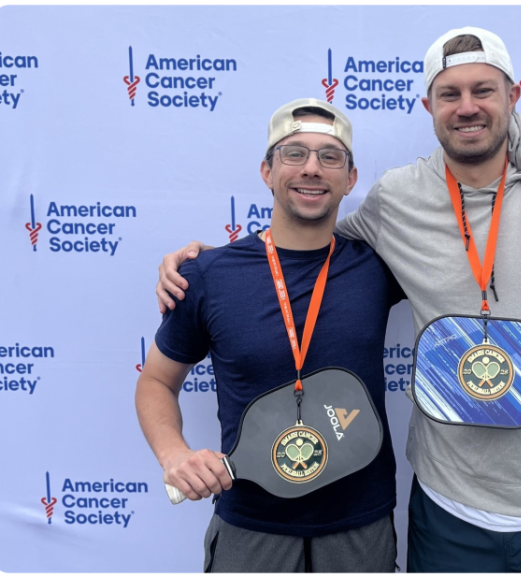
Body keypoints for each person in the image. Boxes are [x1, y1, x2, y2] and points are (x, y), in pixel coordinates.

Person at [156, 27, 521, 574]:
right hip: (447, 512)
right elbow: (307, 239)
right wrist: (211, 262)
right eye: (450, 94)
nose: (467, 107)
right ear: (428, 105)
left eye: (484, 91)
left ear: (514, 98)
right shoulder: (398, 200)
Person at [136, 98, 406, 574]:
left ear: (350, 178)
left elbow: (469, 241)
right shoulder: (209, 275)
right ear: (267, 170)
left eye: (330, 156)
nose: (312, 169)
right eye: (294, 153)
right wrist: (173, 453)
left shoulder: (380, 265)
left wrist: (517, 143)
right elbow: (156, 381)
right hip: (251, 527)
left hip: (359, 526)